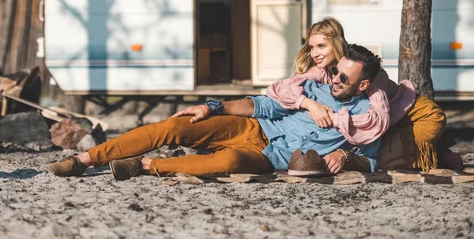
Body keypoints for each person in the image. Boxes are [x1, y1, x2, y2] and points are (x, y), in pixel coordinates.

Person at [47, 44, 381, 179]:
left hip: (272, 158)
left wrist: (348, 157)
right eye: (336, 71)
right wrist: (214, 106)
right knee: (179, 124)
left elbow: (372, 157)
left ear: (363, 85)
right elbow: (265, 103)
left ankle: (147, 166)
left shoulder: (367, 117)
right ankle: (85, 159)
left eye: (344, 77)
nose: (335, 79)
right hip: (255, 128)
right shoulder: (316, 85)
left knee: (229, 163)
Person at [268, 18, 453, 171]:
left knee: (381, 161)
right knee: (376, 150)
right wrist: (309, 104)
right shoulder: (322, 71)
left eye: (321, 46)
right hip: (391, 123)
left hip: (421, 115)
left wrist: (333, 119)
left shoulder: (368, 74)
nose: (314, 53)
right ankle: (441, 151)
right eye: (312, 47)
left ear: (336, 44)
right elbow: (281, 89)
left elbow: (379, 120)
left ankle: (438, 152)